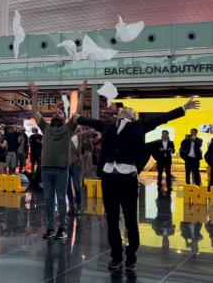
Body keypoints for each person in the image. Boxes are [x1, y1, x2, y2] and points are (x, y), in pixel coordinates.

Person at [77, 96, 199, 272]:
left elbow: (161, 118)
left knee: (130, 220)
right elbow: (89, 121)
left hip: (128, 180)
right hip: (109, 179)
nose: (126, 108)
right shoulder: (108, 126)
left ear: (133, 116)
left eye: (130, 109)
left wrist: (184, 108)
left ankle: (131, 257)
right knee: (111, 220)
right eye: (125, 108)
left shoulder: (138, 126)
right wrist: (77, 117)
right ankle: (116, 257)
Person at [29, 80, 86, 241]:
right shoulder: (46, 128)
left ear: (64, 118)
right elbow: (35, 112)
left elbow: (78, 113)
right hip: (46, 169)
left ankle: (62, 227)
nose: (57, 113)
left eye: (60, 113)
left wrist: (81, 93)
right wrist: (34, 94)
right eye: (55, 112)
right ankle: (50, 227)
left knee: (61, 198)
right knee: (47, 199)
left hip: (61, 169)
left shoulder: (68, 128)